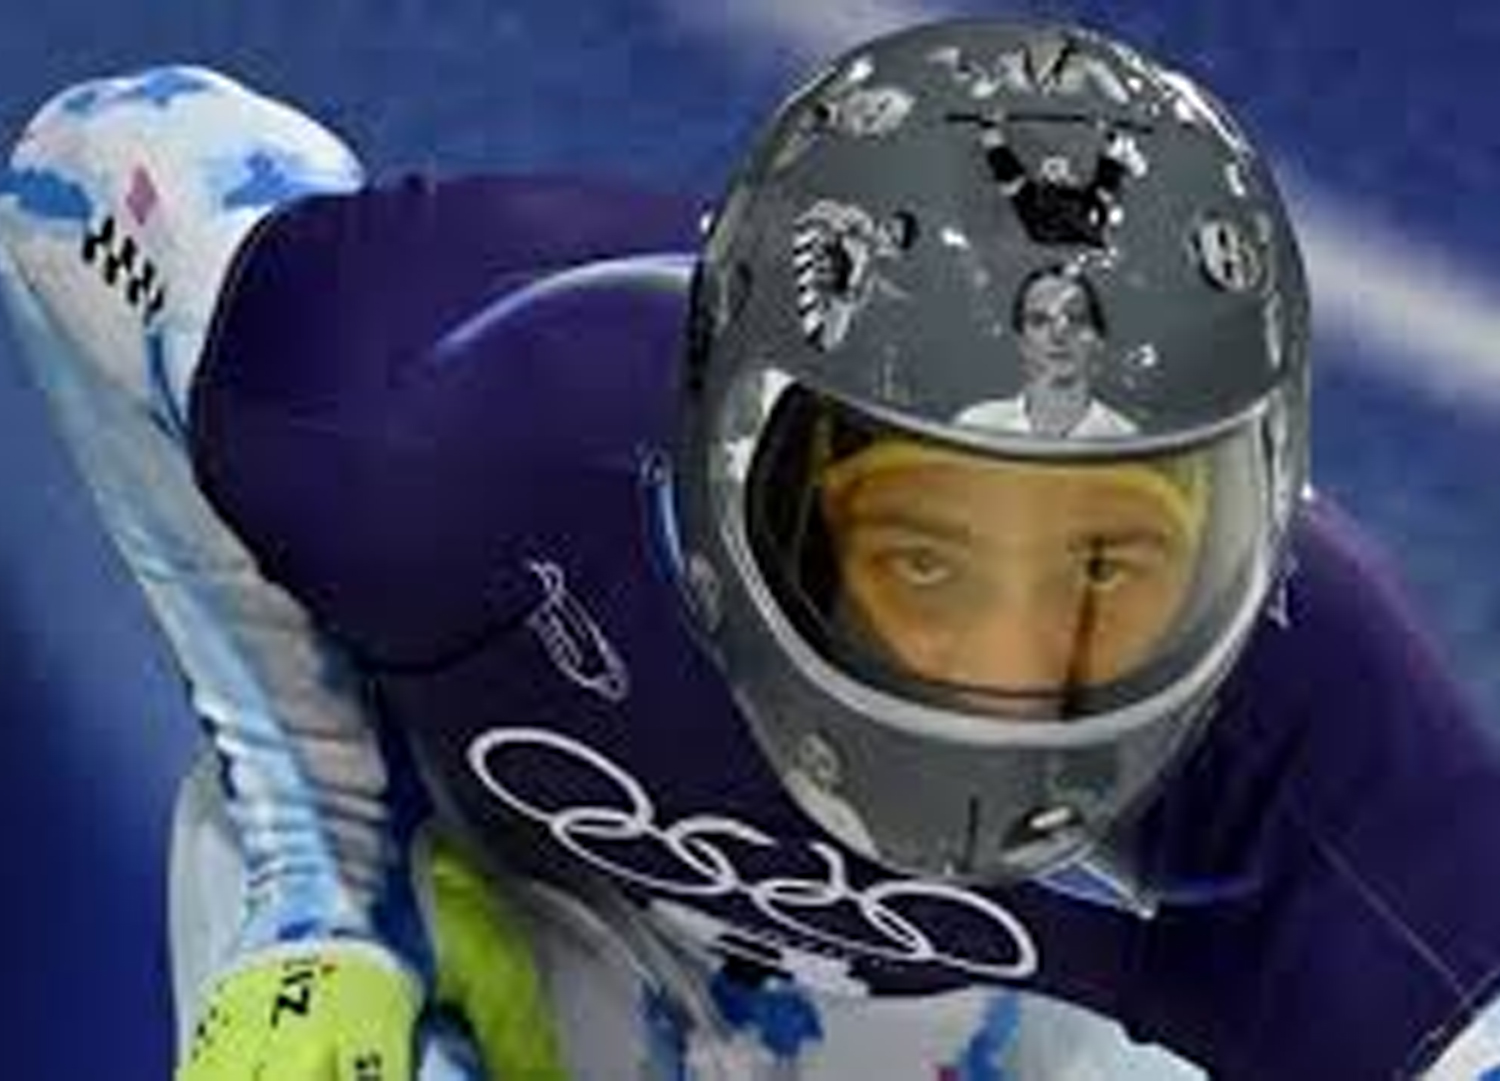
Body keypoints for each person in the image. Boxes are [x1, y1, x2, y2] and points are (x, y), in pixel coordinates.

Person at [3, 18, 1500, 1081]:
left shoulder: (1359, 790)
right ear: (733, 456)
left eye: (1106, 569)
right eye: (926, 555)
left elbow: (96, 187)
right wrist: (323, 866)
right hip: (515, 919)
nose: (1008, 682)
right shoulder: (446, 414)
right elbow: (84, 188)